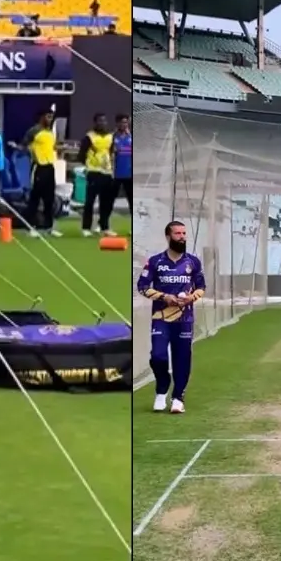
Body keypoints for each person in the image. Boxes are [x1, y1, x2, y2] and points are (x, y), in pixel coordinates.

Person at [137, 221, 205, 415]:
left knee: (182, 359)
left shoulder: (193, 262)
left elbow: (201, 287)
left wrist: (192, 297)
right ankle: (162, 387)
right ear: (168, 236)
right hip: (161, 317)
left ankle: (178, 398)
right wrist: (163, 296)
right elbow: (142, 286)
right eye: (178, 233)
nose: (182, 236)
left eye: (184, 233)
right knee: (158, 356)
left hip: (185, 319)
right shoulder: (155, 261)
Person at [14, 108, 61, 237]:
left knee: (49, 199)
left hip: (50, 168)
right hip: (38, 167)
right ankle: (30, 227)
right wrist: (18, 148)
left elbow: (51, 148)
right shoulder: (34, 131)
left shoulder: (50, 132)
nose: (50, 120)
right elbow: (23, 146)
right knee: (35, 199)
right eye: (48, 117)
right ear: (42, 118)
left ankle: (48, 227)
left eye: (51, 117)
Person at [77, 113, 115, 237]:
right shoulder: (89, 137)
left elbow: (111, 151)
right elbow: (81, 155)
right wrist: (90, 164)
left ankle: (104, 227)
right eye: (99, 121)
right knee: (90, 202)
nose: (102, 123)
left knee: (106, 202)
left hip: (107, 172)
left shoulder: (110, 136)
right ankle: (86, 227)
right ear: (95, 122)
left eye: (104, 121)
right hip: (94, 172)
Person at [112, 113, 132, 215]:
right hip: (116, 174)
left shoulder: (131, 137)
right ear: (117, 123)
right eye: (122, 122)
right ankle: (103, 224)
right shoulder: (112, 137)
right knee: (109, 200)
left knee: (132, 201)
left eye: (126, 122)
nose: (125, 124)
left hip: (129, 174)